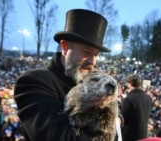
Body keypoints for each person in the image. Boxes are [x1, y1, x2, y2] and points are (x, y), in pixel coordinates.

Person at [14, 9, 112, 141]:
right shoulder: (33, 81)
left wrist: (116, 117)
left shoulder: (92, 83)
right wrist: (109, 121)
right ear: (65, 47)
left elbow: (116, 108)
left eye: (96, 54)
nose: (93, 61)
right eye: (87, 52)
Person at [120, 74, 153, 141]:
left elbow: (123, 118)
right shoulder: (148, 98)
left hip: (130, 135)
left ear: (130, 84)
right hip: (143, 135)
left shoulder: (129, 99)